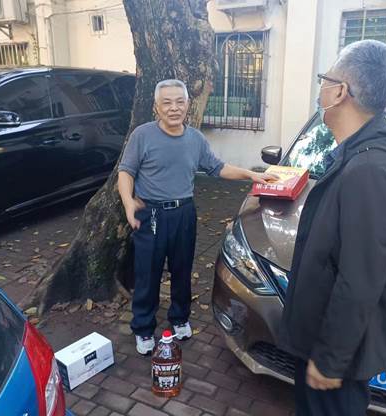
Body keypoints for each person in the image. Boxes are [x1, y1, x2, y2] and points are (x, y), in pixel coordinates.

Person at [279, 40, 386, 415]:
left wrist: (330, 359)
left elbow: (360, 279)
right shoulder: (356, 156)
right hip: (321, 341)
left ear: (340, 91)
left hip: (335, 360)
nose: (320, 90)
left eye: (324, 80)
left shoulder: (370, 171)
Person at [118, 79, 276, 355]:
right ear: (156, 107)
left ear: (188, 105)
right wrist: (128, 203)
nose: (174, 108)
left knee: (182, 270)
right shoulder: (142, 135)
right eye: (167, 102)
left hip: (184, 213)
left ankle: (180, 318)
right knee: (148, 274)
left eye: (179, 102)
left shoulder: (195, 139)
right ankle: (143, 328)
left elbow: (218, 168)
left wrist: (252, 174)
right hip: (151, 214)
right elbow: (126, 172)